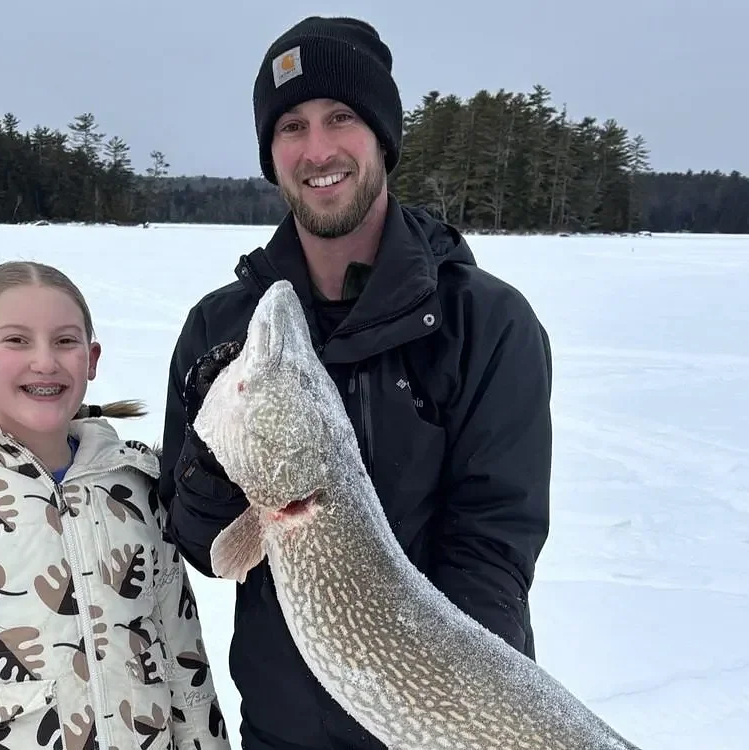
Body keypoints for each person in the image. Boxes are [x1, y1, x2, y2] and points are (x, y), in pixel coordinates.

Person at [158, 15, 553, 750]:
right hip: (283, 733)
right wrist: (214, 469)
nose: (317, 150)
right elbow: (204, 545)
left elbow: (494, 543)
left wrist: (437, 707)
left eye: (341, 118)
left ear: (382, 137)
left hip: (455, 722)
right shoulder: (223, 326)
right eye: (291, 127)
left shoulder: (485, 321)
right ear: (270, 153)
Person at [0, 261, 230, 750]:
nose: (45, 362)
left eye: (65, 341)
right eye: (17, 340)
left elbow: (184, 660)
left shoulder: (134, 487)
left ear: (91, 358)